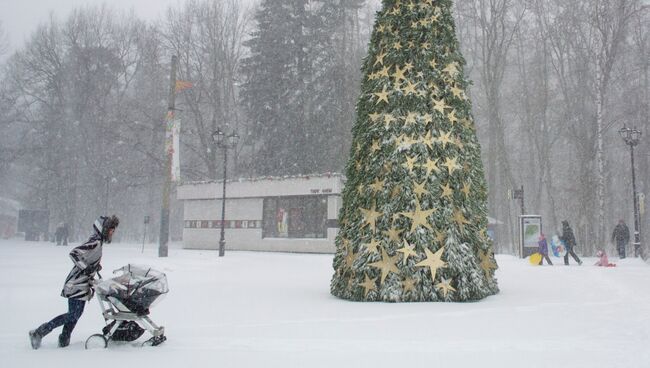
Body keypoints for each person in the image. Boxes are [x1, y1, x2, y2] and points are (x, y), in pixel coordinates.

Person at [28, 215, 119, 349]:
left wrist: (93, 266)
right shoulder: (95, 242)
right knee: (73, 314)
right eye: (111, 229)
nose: (112, 232)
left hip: (82, 284)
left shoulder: (98, 242)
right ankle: (39, 332)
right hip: (76, 283)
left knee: (75, 314)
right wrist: (86, 268)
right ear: (103, 229)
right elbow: (74, 253)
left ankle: (64, 339)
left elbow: (86, 258)